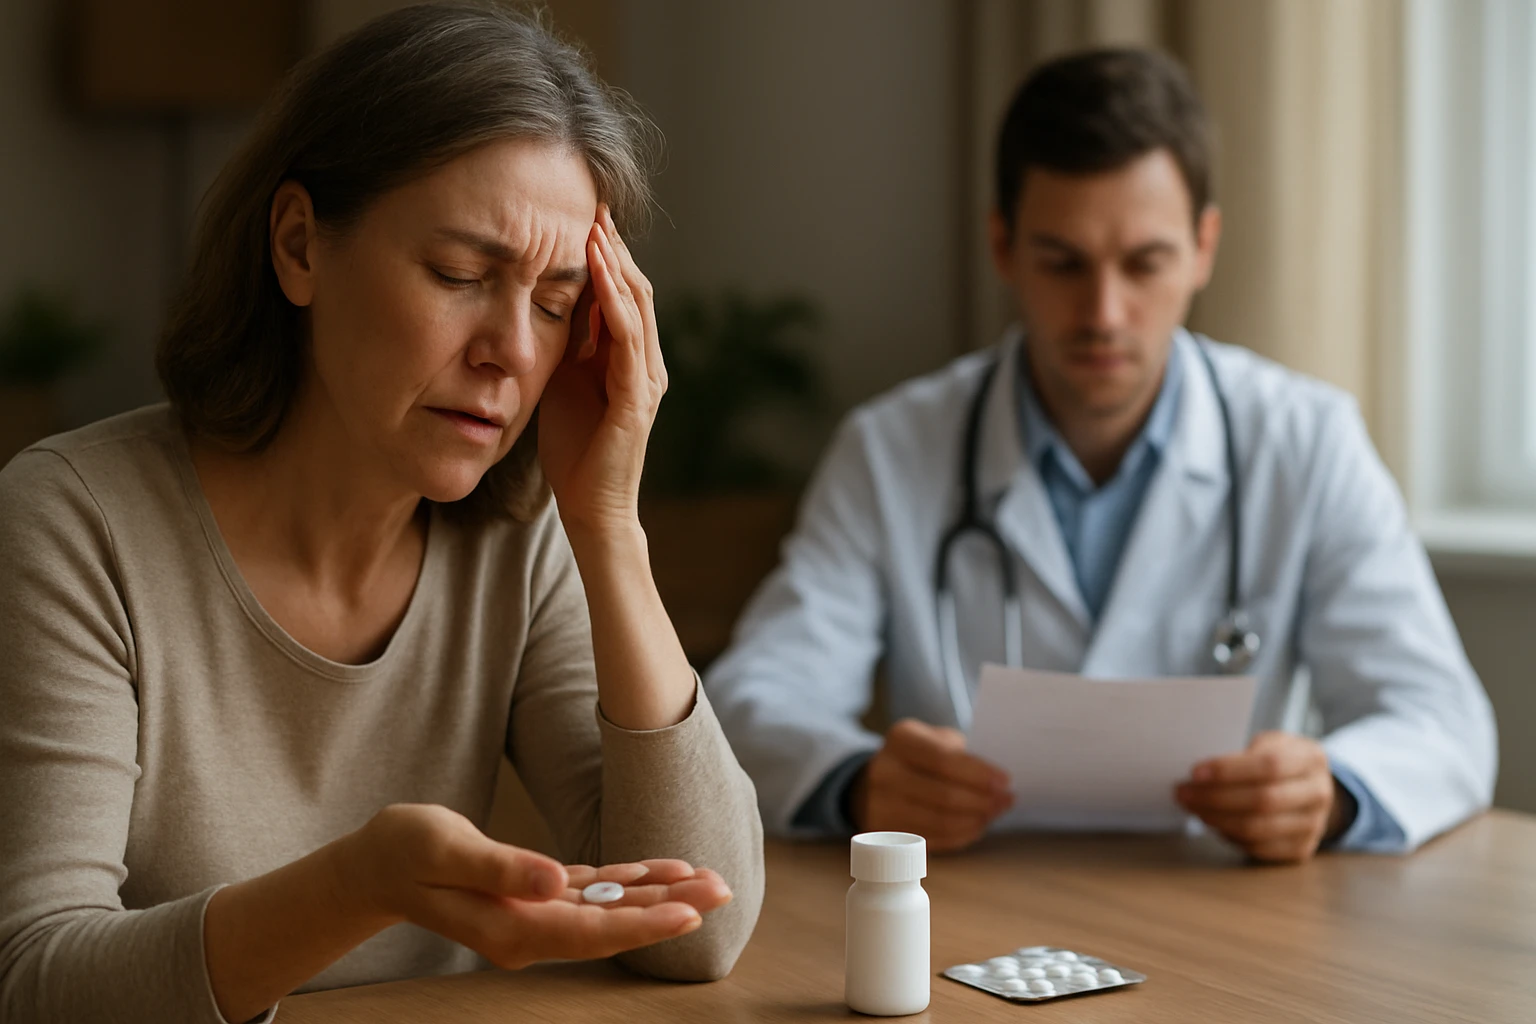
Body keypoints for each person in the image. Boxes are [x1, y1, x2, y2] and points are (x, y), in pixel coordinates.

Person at [0, 6, 763, 1023]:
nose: (510, 351)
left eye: (553, 302)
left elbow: (698, 929)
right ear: (299, 245)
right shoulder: (74, 527)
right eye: (460, 275)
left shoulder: (519, 543)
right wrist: (354, 886)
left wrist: (609, 526)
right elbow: (38, 979)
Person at [706, 48, 1496, 862]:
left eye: (1145, 262)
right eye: (1064, 262)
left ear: (1203, 248)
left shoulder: (1309, 440)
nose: (1104, 312)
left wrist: (1332, 792)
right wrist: (857, 781)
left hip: (1228, 915)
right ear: (1003, 246)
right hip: (967, 910)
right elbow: (755, 700)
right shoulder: (890, 449)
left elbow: (1444, 722)